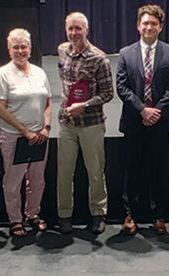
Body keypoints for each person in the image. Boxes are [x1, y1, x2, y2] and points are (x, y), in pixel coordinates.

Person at [116, 4, 169, 235]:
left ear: (160, 27)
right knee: (131, 170)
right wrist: (143, 110)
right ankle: (130, 214)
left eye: (154, 23)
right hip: (134, 122)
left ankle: (158, 215)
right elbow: (122, 87)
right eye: (145, 23)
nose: (149, 27)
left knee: (159, 170)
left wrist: (156, 112)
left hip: (160, 123)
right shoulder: (125, 53)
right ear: (138, 26)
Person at [55, 12, 114, 235]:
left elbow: (108, 93)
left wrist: (86, 105)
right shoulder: (62, 50)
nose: (74, 33)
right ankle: (64, 215)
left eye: (78, 28)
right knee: (64, 172)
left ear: (86, 30)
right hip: (66, 123)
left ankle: (98, 213)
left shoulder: (99, 58)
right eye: (70, 28)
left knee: (95, 171)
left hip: (91, 123)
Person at [0, 29, 53, 237]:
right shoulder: (2, 74)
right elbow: (0, 108)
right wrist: (24, 131)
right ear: (9, 50)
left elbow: (48, 102)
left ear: (30, 49)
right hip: (15, 137)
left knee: (37, 180)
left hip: (39, 136)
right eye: (15, 47)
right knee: (13, 181)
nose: (20, 51)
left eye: (23, 47)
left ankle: (33, 214)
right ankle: (15, 220)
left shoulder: (39, 72)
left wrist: (46, 127)